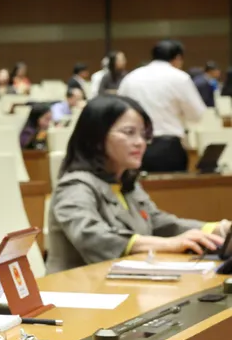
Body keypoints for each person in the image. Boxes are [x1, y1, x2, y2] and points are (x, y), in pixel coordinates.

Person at [46, 95, 229, 273]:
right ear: (96, 137)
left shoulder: (126, 182)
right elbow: (92, 236)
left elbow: (159, 223)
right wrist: (168, 244)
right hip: (78, 294)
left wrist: (220, 229)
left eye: (144, 134)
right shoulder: (75, 185)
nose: (140, 143)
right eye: (129, 133)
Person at [117, 40, 204, 172]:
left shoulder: (131, 78)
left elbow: (118, 111)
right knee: (172, 190)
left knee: (136, 189)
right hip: (168, 148)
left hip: (134, 146)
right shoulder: (180, 78)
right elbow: (197, 114)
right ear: (178, 58)